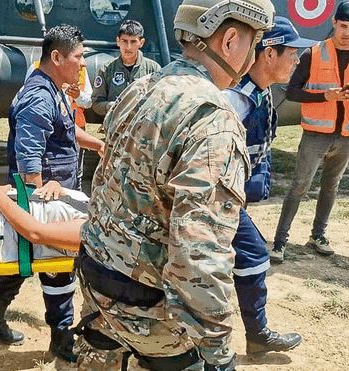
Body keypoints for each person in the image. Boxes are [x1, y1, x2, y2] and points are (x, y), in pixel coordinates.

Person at [74, 0, 275, 370]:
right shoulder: (213, 121)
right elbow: (199, 254)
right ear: (230, 40)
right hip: (150, 310)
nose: (256, 52)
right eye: (255, 40)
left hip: (96, 279)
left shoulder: (141, 88)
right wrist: (218, 352)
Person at [0, 24, 104, 363]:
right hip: (47, 201)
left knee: (22, 259)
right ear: (56, 57)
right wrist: (40, 192)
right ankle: (61, 339)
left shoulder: (54, 89)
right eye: (78, 57)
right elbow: (28, 159)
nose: (83, 64)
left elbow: (64, 128)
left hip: (56, 192)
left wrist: (96, 144)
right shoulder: (39, 95)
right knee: (56, 267)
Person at [222, 16, 311, 356]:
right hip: (215, 201)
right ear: (269, 53)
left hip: (231, 201)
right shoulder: (237, 100)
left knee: (248, 256)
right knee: (253, 254)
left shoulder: (259, 94)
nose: (297, 61)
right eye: (292, 53)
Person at [269, 1, 349, 263]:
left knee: (331, 188)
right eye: (344, 26)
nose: (347, 33)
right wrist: (324, 96)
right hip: (316, 135)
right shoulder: (313, 53)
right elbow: (292, 91)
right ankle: (280, 242)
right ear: (334, 24)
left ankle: (318, 235)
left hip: (346, 136)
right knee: (299, 187)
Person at [91, 19, 161, 117]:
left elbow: (160, 102)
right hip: (115, 126)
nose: (128, 47)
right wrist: (110, 106)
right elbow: (96, 103)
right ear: (118, 41)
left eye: (133, 42)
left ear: (141, 43)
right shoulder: (107, 69)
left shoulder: (153, 69)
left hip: (142, 127)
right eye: (124, 41)